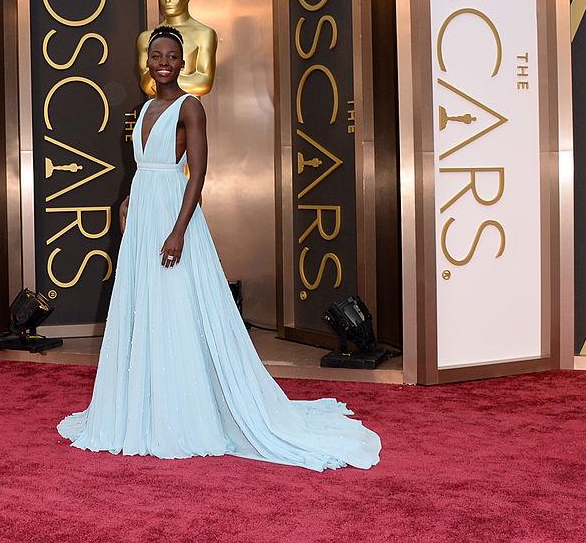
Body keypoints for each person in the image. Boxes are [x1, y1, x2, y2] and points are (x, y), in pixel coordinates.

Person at [57, 25, 381, 471]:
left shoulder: (192, 107)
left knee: (176, 305)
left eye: (172, 55)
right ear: (147, 62)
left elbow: (196, 174)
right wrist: (129, 199)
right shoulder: (145, 107)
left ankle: (185, 412)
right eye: (157, 55)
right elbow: (147, 167)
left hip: (174, 216)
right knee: (143, 305)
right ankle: (144, 408)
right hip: (143, 215)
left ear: (183, 62)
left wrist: (178, 231)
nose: (164, 62)